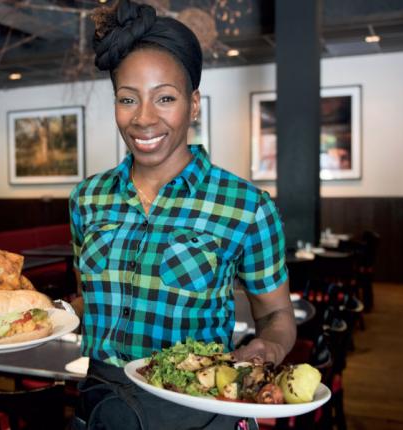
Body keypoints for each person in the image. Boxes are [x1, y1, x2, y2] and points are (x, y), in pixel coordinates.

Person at [68, 1, 295, 428]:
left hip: (195, 409)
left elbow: (276, 315)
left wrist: (269, 347)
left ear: (193, 105)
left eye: (165, 98)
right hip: (101, 404)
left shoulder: (246, 206)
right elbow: (90, 300)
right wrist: (40, 314)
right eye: (128, 99)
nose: (144, 118)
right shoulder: (87, 198)